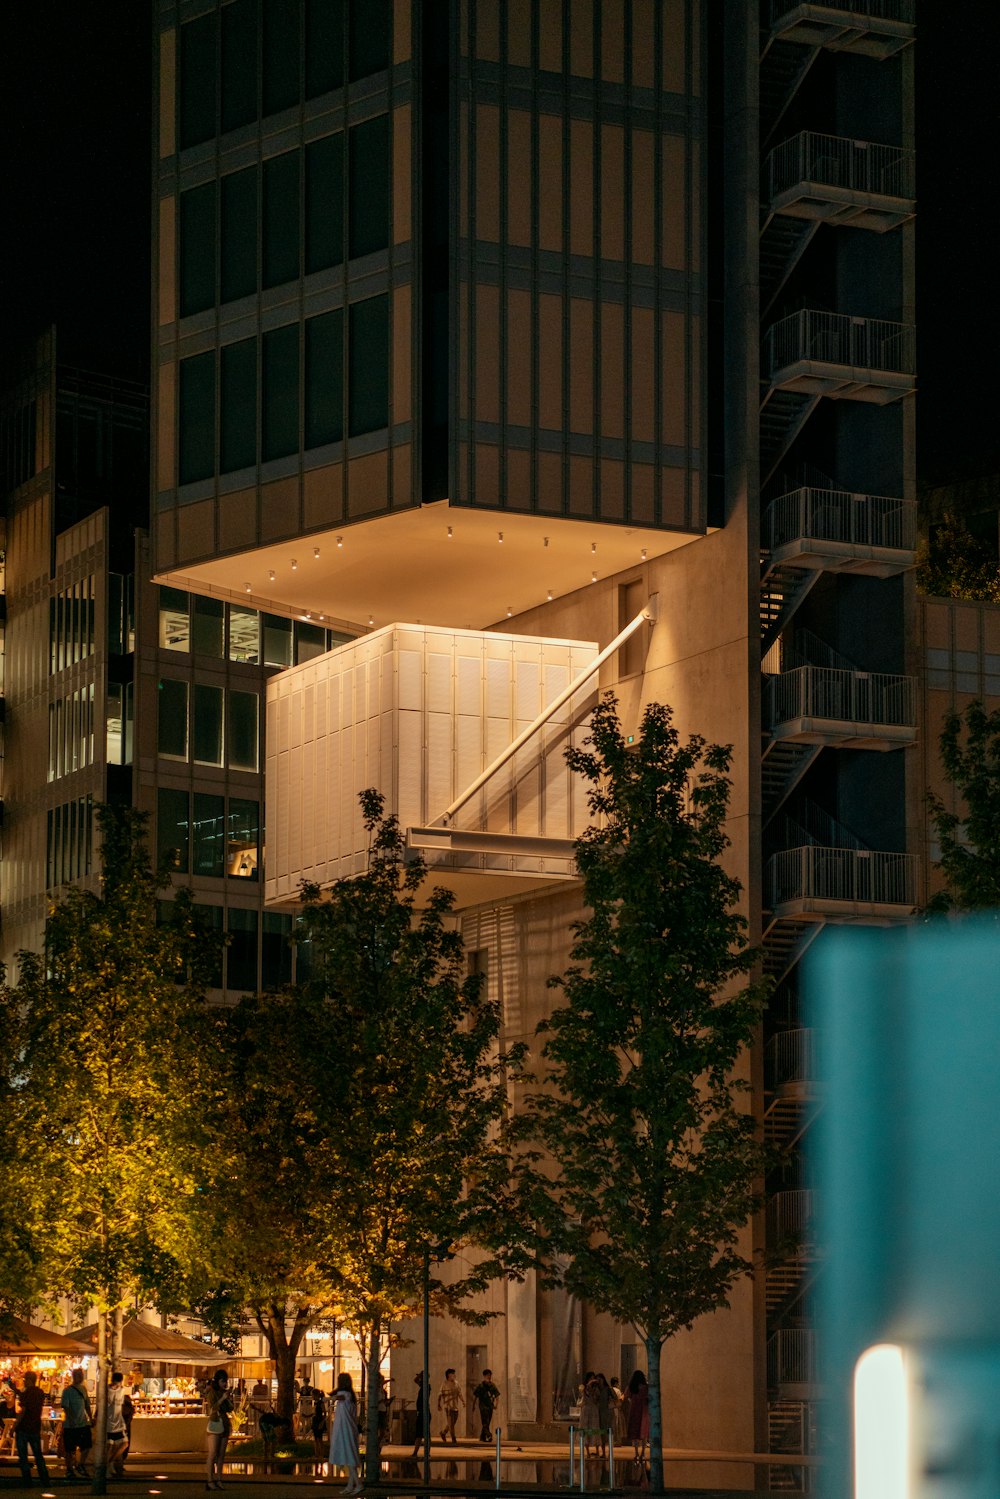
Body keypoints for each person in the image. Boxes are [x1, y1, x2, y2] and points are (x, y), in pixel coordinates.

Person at [14, 1371, 50, 1486]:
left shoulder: (26, 1393)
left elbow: (23, 1411)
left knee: (23, 1456)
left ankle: (27, 1480)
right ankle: (44, 1479)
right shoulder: (40, 1392)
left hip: (24, 1428)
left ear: (29, 1380)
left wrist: (14, 1426)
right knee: (38, 1455)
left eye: (25, 1379)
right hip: (35, 1427)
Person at [327, 1372, 360, 1494]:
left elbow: (340, 1397)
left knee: (348, 1455)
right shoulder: (350, 1394)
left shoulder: (345, 1394)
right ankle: (350, 1485)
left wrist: (330, 1398)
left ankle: (358, 1484)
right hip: (348, 1429)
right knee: (349, 1455)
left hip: (344, 1429)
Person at [61, 1367, 94, 1481]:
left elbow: (87, 1405)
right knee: (69, 1449)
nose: (80, 1378)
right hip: (70, 1425)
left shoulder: (83, 1390)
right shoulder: (67, 1391)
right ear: (74, 1377)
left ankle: (80, 1464)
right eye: (78, 1375)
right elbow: (66, 1407)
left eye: (81, 1375)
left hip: (82, 1423)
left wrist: (90, 1417)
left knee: (87, 1446)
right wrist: (72, 1418)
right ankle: (69, 1469)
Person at [204, 1366, 233, 1491]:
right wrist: (222, 1399)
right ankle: (210, 1480)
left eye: (225, 1381)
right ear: (217, 1381)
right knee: (212, 1453)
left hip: (225, 1423)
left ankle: (219, 1479)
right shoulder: (212, 1393)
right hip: (215, 1423)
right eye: (222, 1381)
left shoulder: (223, 1393)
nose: (224, 1384)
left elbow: (230, 1408)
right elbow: (212, 1409)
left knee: (221, 1454)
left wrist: (228, 1399)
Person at [107, 1371, 129, 1478]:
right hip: (109, 1423)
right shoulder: (107, 1391)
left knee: (124, 1443)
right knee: (109, 1446)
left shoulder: (122, 1390)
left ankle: (110, 1462)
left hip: (119, 1423)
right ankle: (107, 1465)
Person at [626, 1370, 650, 1461]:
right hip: (644, 1411)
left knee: (634, 1433)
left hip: (634, 1410)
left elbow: (627, 1396)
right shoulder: (646, 1387)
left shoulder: (631, 1387)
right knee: (643, 1432)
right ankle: (643, 1453)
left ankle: (636, 1453)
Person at [437, 1367, 464, 1445]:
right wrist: (438, 1404)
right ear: (448, 1375)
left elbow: (459, 1393)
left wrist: (463, 1401)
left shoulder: (456, 1383)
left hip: (455, 1406)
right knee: (451, 1424)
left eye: (454, 1373)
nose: (454, 1375)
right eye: (452, 1373)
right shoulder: (444, 1384)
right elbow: (440, 1394)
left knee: (452, 1423)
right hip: (448, 1407)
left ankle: (443, 1432)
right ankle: (453, 1439)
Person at [471, 1369, 500, 1444]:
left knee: (488, 1422)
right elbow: (475, 1396)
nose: (489, 1376)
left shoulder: (492, 1385)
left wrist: (496, 1405)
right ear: (484, 1376)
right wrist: (473, 1405)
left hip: (490, 1406)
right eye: (487, 1375)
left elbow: (497, 1395)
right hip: (483, 1406)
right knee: (485, 1422)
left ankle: (482, 1437)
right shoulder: (481, 1386)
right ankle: (488, 1435)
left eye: (490, 1375)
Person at [579, 1372, 599, 1458]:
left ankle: (597, 1450)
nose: (592, 1380)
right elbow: (584, 1392)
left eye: (593, 1378)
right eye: (591, 1378)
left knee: (595, 1428)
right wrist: (589, 1384)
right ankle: (587, 1451)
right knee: (585, 1428)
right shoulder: (583, 1387)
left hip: (594, 1410)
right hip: (586, 1410)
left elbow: (596, 1399)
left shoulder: (596, 1389)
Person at [408, 1371, 427, 1459]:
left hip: (423, 1412)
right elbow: (415, 1380)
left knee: (421, 1433)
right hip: (422, 1412)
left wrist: (420, 1375)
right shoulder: (423, 1385)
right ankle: (416, 1452)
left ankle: (421, 1452)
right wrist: (420, 1374)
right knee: (420, 1434)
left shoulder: (426, 1386)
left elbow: (416, 1380)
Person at [310, 1389, 328, 1466]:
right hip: (315, 1421)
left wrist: (322, 1422)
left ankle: (321, 1455)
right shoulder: (316, 1403)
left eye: (313, 1395)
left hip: (319, 1421)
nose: (312, 1397)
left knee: (319, 1439)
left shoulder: (320, 1403)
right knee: (316, 1438)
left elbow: (324, 1413)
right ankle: (317, 1454)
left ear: (316, 1395)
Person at [608, 1377, 626, 1446]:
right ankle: (617, 1441)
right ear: (616, 1383)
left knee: (612, 1425)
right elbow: (619, 1400)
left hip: (610, 1409)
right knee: (617, 1425)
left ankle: (612, 1441)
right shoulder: (617, 1391)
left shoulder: (609, 1390)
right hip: (616, 1409)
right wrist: (623, 1396)